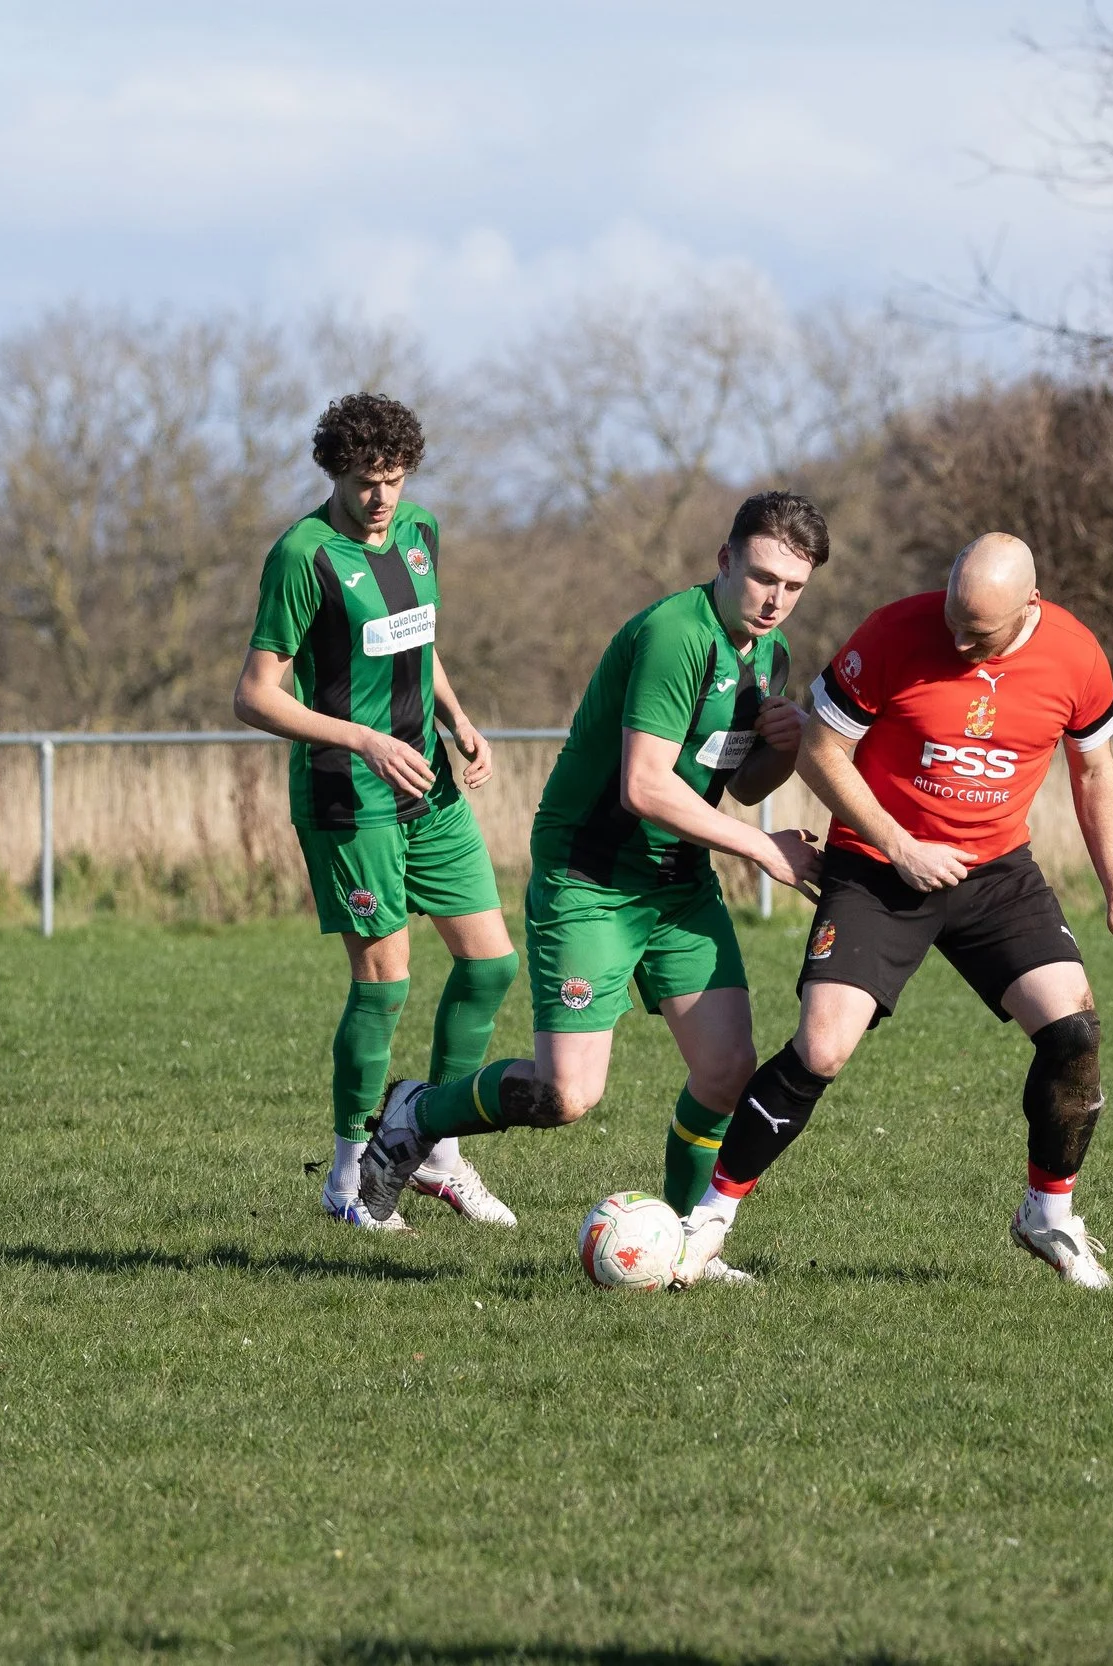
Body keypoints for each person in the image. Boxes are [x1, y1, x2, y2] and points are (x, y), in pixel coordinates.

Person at [356, 491, 829, 1279]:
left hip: (675, 879)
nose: (775, 598)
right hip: (593, 876)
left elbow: (736, 785)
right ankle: (415, 1114)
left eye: (793, 586)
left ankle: (683, 1243)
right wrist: (763, 851)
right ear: (725, 560)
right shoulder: (677, 636)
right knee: (566, 1095)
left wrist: (779, 750)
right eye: (762, 576)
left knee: (725, 1069)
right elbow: (645, 786)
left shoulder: (766, 657)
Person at [675, 533, 1113, 1290]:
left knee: (1072, 1030)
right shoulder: (894, 633)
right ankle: (708, 1221)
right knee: (823, 1047)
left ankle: (1049, 1214)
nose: (959, 639)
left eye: (980, 631)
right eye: (955, 618)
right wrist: (899, 846)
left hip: (995, 871)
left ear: (1030, 605)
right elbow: (820, 751)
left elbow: (1094, 770)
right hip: (878, 870)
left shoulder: (1076, 655)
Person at [233, 392, 518, 1232]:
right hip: (347, 794)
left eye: (394, 479)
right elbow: (254, 695)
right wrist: (362, 740)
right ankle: (349, 1176)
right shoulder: (302, 556)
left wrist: (457, 717)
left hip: (427, 783)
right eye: (365, 482)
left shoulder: (423, 534)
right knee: (384, 984)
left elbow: (416, 643)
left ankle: (436, 1149)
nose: (381, 498)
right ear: (335, 474)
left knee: (491, 965)